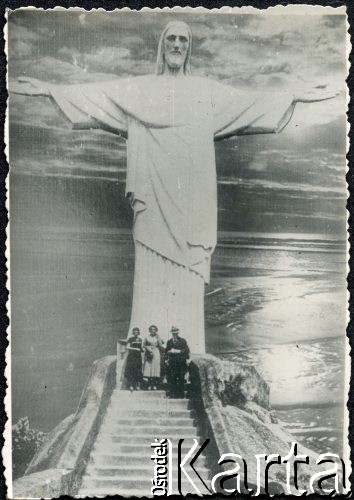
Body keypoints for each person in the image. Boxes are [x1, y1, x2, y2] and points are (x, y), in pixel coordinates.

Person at [12, 21, 338, 354]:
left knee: (187, 275)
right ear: (162, 45)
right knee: (152, 273)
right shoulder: (141, 91)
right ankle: (145, 349)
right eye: (172, 39)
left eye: (184, 39)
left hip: (191, 203)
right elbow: (100, 96)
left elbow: (249, 103)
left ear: (189, 47)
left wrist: (294, 96)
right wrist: (50, 89)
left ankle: (187, 350)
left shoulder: (204, 91)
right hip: (153, 199)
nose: (177, 45)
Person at [165, 326, 190, 399]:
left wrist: (178, 351)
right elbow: (166, 351)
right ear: (171, 333)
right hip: (172, 363)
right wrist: (167, 357)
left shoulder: (182, 341)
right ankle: (173, 395)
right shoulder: (169, 341)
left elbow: (187, 350)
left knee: (181, 378)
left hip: (181, 362)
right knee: (173, 378)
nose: (174, 334)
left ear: (178, 332)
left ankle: (181, 395)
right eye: (173, 333)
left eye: (176, 332)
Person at [143, 325, 164, 390]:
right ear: (149, 330)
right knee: (149, 368)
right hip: (149, 353)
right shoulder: (147, 337)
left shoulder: (157, 337)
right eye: (151, 329)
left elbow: (160, 345)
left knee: (155, 368)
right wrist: (148, 348)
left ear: (156, 330)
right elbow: (143, 345)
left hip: (156, 352)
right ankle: (149, 384)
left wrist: (159, 338)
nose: (153, 330)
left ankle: (154, 384)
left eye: (154, 329)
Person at [124, 327, 144, 392]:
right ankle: (131, 386)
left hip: (138, 357)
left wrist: (144, 349)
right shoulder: (130, 339)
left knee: (138, 371)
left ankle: (137, 386)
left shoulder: (140, 339)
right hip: (132, 357)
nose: (136, 333)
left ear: (138, 332)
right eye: (135, 331)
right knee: (131, 370)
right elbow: (127, 347)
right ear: (133, 332)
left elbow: (141, 348)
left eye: (137, 331)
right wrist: (135, 349)